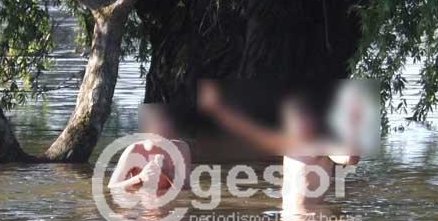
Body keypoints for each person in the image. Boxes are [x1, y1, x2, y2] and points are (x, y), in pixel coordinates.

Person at [198, 79, 359, 214]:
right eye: (291, 117)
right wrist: (218, 110)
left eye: (301, 115)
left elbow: (350, 158)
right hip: (289, 216)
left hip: (309, 218)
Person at [108, 104, 192, 192]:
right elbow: (112, 186)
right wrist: (140, 177)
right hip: (141, 198)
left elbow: (186, 188)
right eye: (157, 124)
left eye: (166, 125)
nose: (162, 128)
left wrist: (168, 172)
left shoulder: (181, 148)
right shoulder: (133, 150)